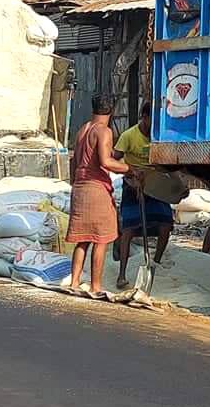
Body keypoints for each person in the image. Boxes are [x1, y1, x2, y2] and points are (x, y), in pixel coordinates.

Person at [64, 93, 128, 298]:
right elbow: (106, 162)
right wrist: (131, 169)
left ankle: (74, 282)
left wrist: (76, 183)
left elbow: (73, 162)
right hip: (96, 188)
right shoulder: (104, 131)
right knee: (100, 239)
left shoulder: (83, 129)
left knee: (82, 240)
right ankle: (95, 286)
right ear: (111, 111)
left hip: (80, 187)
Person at [113, 107, 174, 289]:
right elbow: (113, 160)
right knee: (129, 229)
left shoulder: (160, 136)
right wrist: (131, 178)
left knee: (165, 224)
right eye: (151, 120)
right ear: (144, 117)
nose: (153, 125)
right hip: (133, 184)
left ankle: (154, 263)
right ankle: (122, 274)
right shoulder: (128, 136)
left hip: (155, 185)